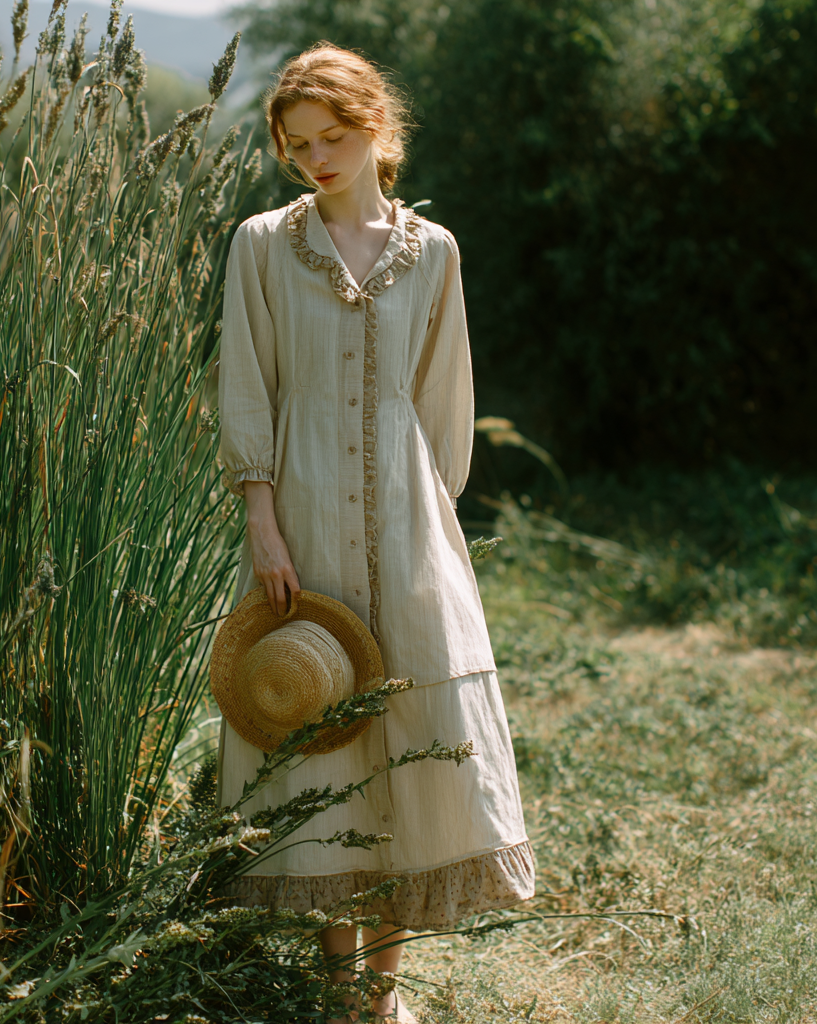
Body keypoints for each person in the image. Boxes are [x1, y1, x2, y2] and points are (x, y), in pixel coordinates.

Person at [216, 43, 535, 1023]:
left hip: (408, 525)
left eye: (333, 137)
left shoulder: (433, 253)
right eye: (298, 144)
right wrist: (264, 522)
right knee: (325, 733)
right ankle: (336, 983)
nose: (316, 158)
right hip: (301, 520)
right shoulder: (261, 245)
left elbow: (443, 404)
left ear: (375, 128)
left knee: (409, 733)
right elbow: (247, 387)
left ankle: (381, 995)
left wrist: (425, 529)